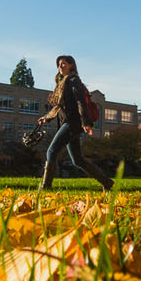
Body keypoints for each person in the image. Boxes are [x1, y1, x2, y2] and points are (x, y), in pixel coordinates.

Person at [36, 55, 114, 191]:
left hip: (72, 124)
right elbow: (58, 107)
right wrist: (46, 118)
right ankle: (106, 182)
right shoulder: (63, 83)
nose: (60, 67)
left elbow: (80, 102)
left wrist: (85, 123)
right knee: (78, 160)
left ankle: (46, 187)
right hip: (71, 124)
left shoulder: (73, 80)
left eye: (63, 64)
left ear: (71, 65)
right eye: (59, 65)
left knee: (51, 151)